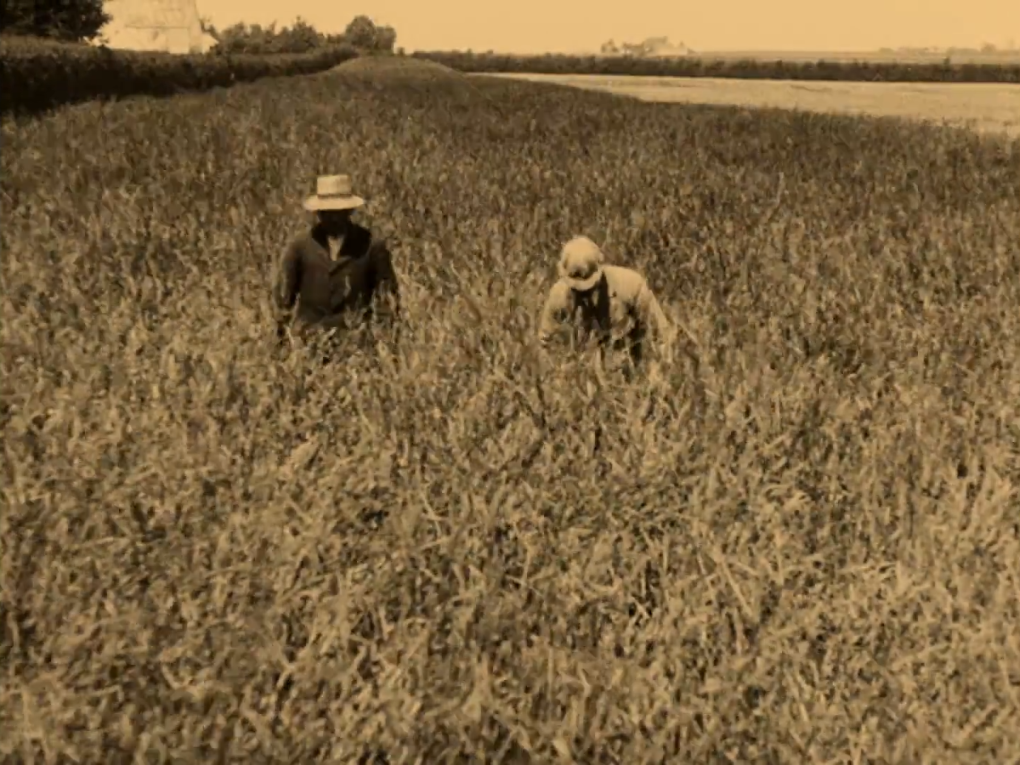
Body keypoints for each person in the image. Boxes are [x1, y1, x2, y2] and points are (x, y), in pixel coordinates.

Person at [272, 174, 401, 350]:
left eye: (338, 212)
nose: (332, 218)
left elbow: (387, 301)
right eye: (326, 212)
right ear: (318, 212)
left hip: (355, 344)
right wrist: (283, 346)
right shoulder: (299, 246)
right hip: (308, 343)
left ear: (349, 211)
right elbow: (283, 302)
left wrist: (385, 344)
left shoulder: (371, 246)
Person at [538, 236, 672, 368]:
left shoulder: (631, 286)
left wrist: (661, 371)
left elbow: (660, 333)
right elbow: (545, 342)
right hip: (583, 366)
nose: (583, 295)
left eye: (589, 289)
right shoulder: (558, 295)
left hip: (628, 361)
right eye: (576, 290)